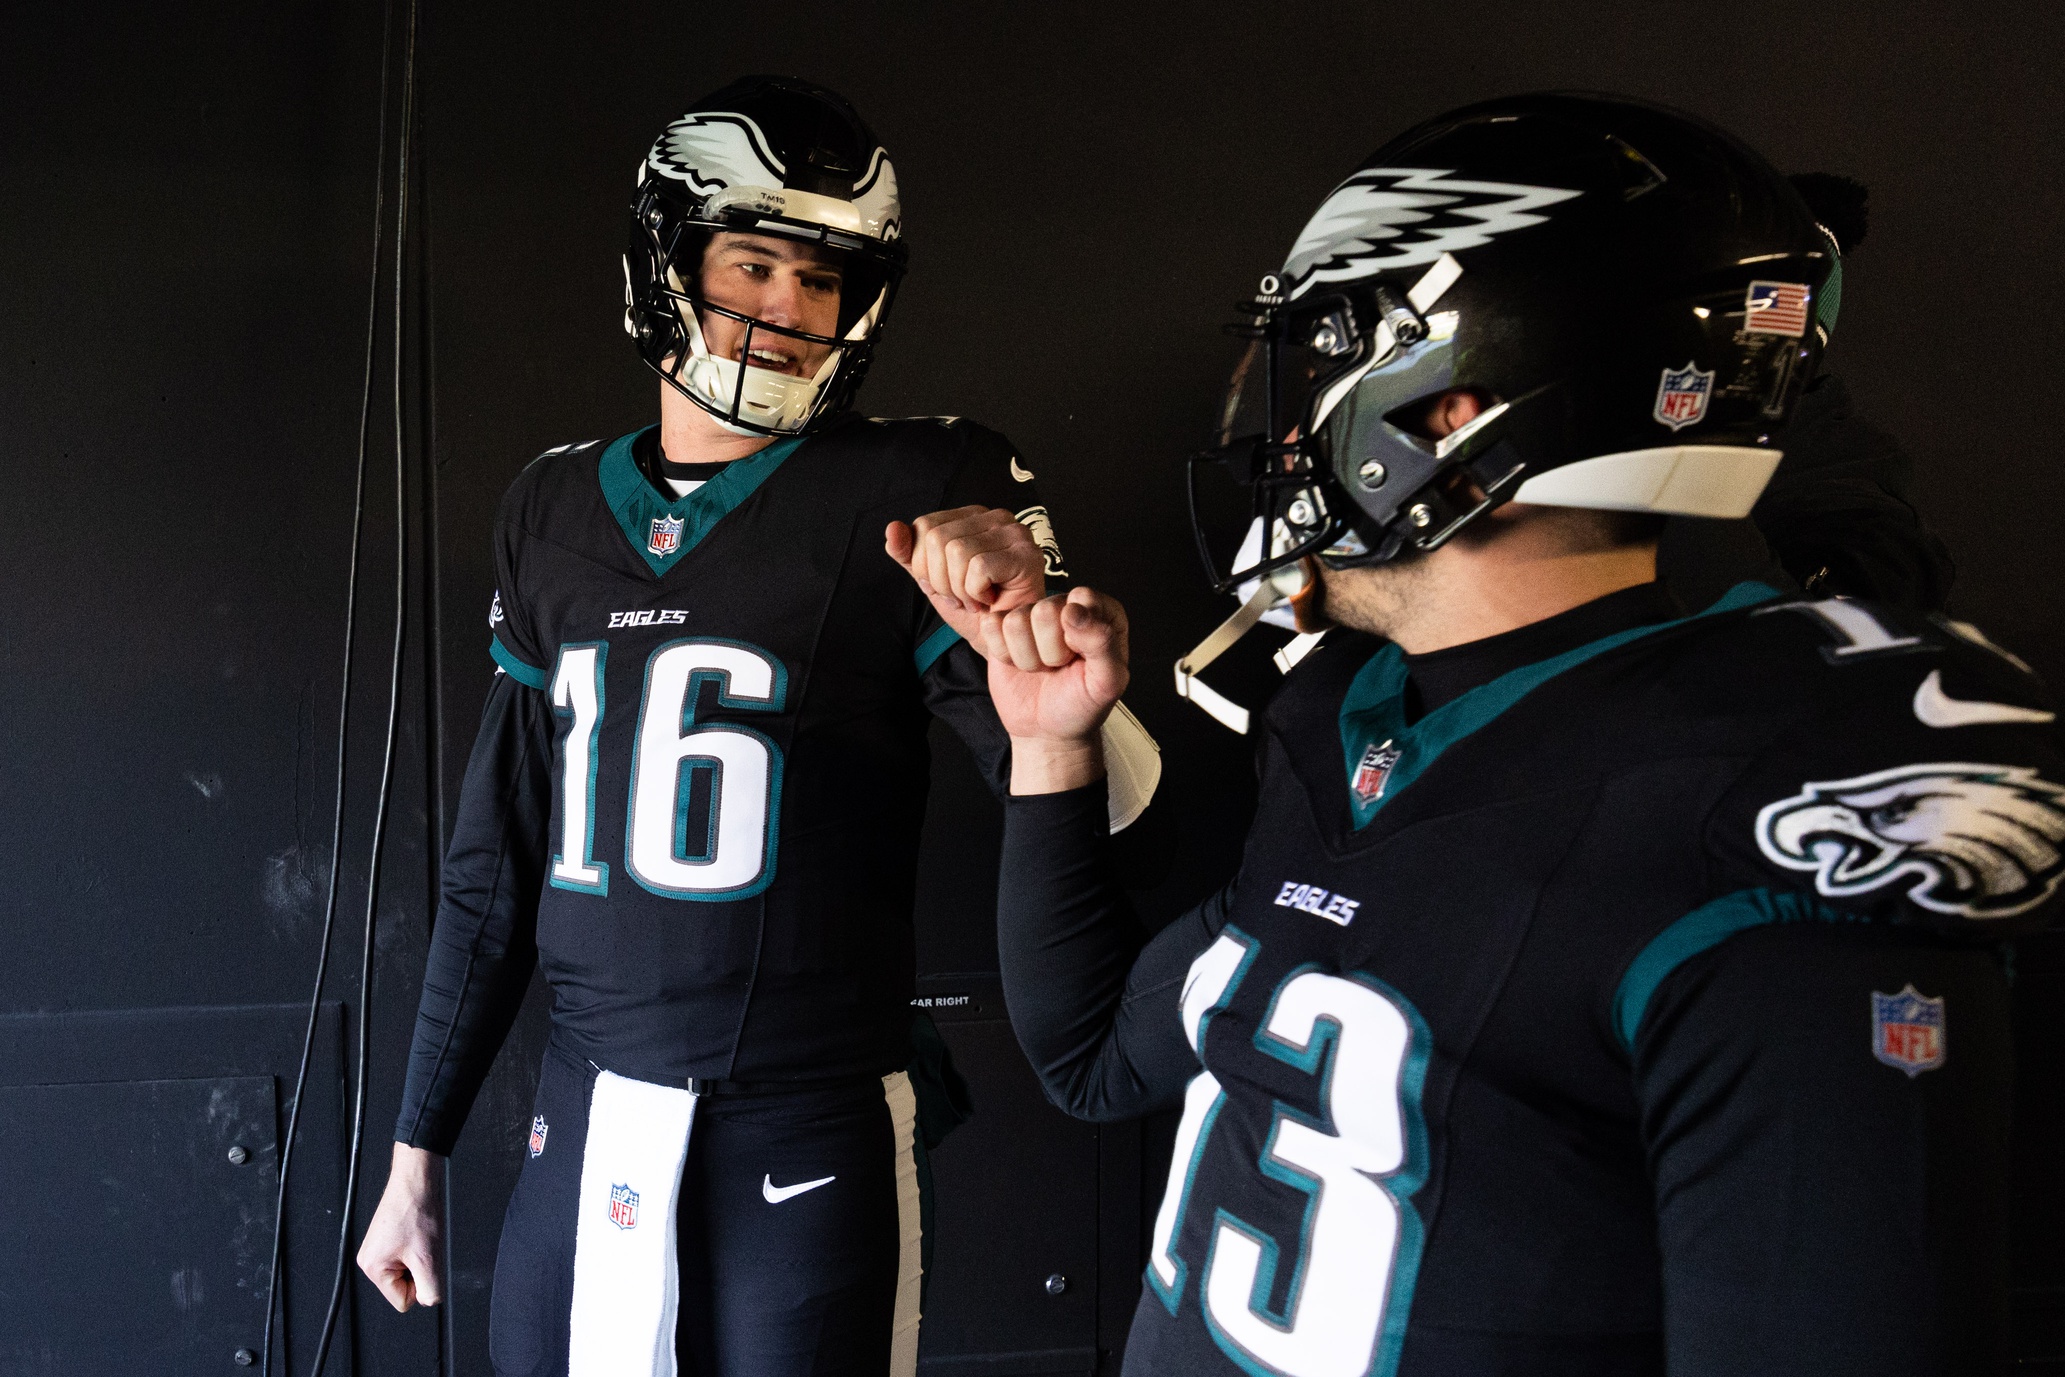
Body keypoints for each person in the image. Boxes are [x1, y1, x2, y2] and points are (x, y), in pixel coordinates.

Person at [897, 94, 2064, 1374]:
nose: (1275, 430)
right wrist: (1053, 747)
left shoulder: (1747, 802)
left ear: (1449, 411)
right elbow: (1092, 1064)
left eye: (1324, 359)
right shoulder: (1354, 716)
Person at [354, 76, 1155, 1377]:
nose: (787, 310)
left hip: (811, 1127)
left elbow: (1088, 798)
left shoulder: (923, 491)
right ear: (667, 260)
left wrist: (1059, 673)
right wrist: (416, 1151)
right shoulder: (551, 506)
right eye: (754, 261)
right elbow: (491, 865)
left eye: (822, 279)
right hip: (585, 1115)